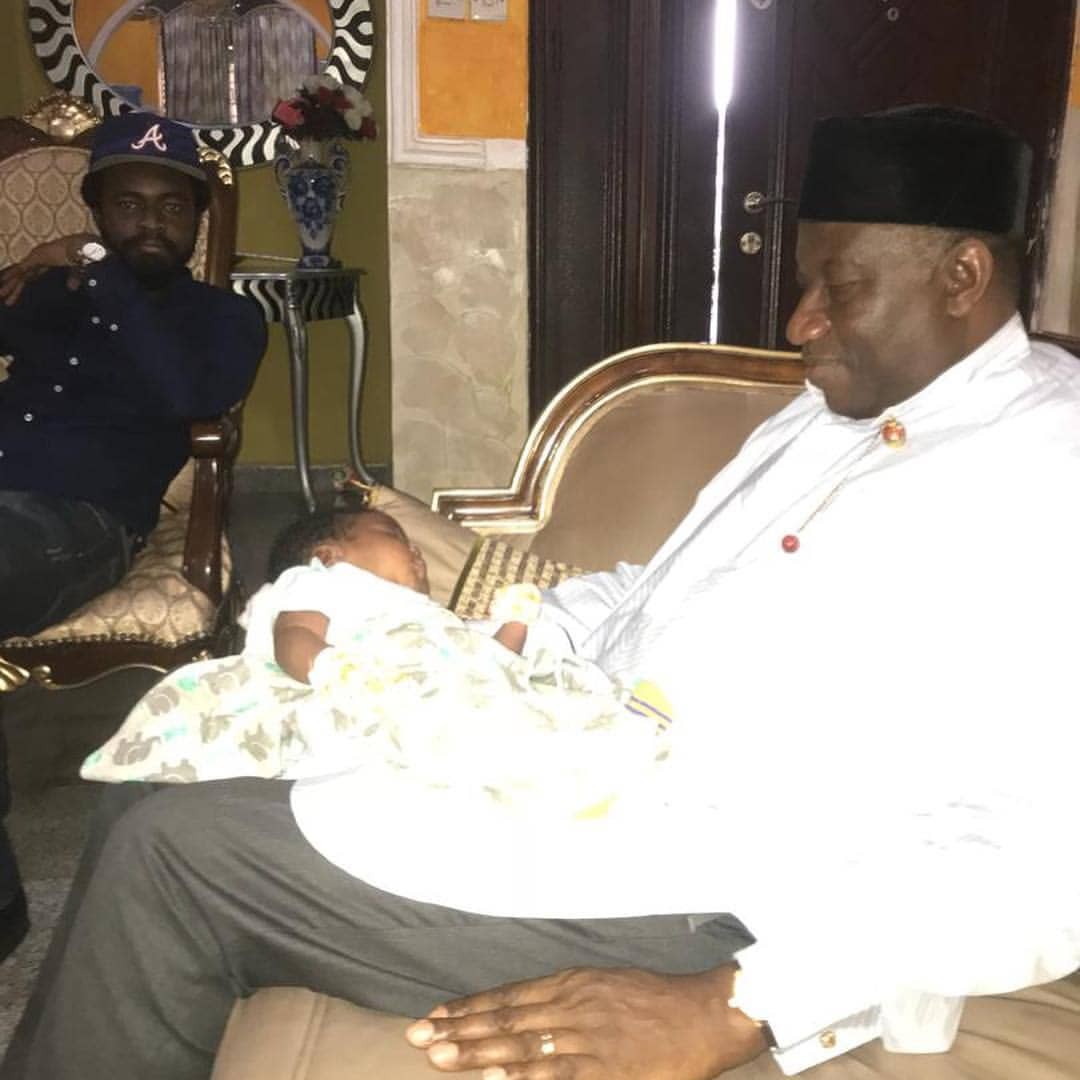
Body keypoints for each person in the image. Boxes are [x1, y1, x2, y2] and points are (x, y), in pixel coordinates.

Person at [4, 104, 1080, 1080]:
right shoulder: (820, 416)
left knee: (174, 857)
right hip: (573, 775)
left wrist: (740, 1005)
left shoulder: (1049, 466)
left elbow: (1050, 846)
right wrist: (474, 632)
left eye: (837, 289)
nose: (800, 323)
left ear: (962, 277)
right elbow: (662, 586)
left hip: (714, 886)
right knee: (176, 760)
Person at [0, 113, 266, 962]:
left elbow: (192, 393)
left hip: (77, 521)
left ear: (196, 223)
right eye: (127, 205)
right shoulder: (51, 294)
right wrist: (23, 268)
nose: (150, 222)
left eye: (171, 208)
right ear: (97, 208)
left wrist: (99, 269)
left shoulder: (224, 318)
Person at [80, 508, 666, 820]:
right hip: (357, 685)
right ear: (329, 554)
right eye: (391, 533)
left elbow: (486, 668)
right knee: (460, 729)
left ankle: (582, 762)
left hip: (435, 687)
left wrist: (513, 624)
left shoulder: (432, 618)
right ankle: (563, 774)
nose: (415, 551)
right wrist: (333, 670)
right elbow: (294, 637)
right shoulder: (321, 583)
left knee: (509, 704)